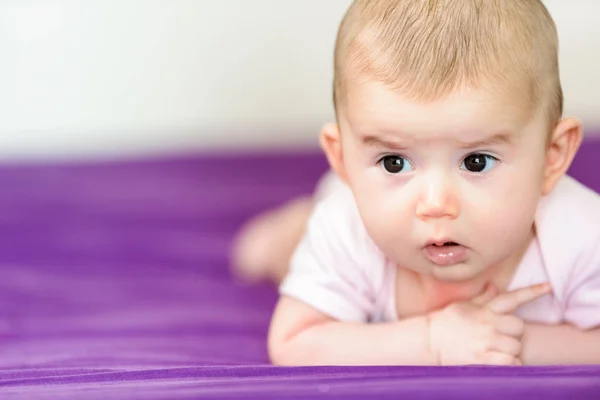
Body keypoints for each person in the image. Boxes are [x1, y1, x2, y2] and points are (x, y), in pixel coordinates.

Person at [231, 0, 600, 366]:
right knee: (286, 250)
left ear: (552, 156)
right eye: (394, 162)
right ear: (343, 158)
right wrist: (431, 341)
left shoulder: (581, 236)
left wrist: (502, 339)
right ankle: (292, 228)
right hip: (344, 208)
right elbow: (295, 341)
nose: (436, 203)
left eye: (476, 162)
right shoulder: (345, 226)